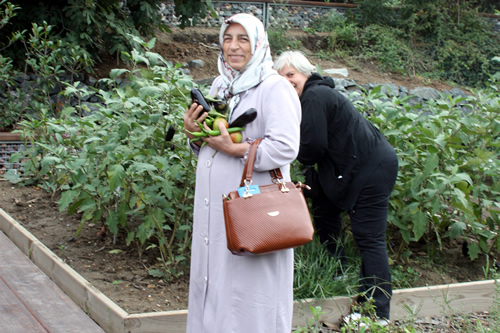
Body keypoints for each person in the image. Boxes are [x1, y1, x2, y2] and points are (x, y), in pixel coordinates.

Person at [183, 14, 301, 333]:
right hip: (218, 212)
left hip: (254, 212)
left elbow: (286, 147)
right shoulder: (223, 85)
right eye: (228, 38)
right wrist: (196, 133)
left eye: (243, 38)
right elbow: (217, 141)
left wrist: (237, 149)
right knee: (216, 282)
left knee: (250, 293)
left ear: (259, 43)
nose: (233, 46)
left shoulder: (274, 87)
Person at [273, 51, 398, 326]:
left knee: (369, 238)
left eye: (291, 74)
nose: (287, 80)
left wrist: (287, 154)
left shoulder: (315, 96)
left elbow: (313, 147)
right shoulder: (308, 100)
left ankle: (378, 313)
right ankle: (338, 267)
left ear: (306, 73)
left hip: (372, 170)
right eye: (281, 77)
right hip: (353, 170)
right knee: (324, 207)